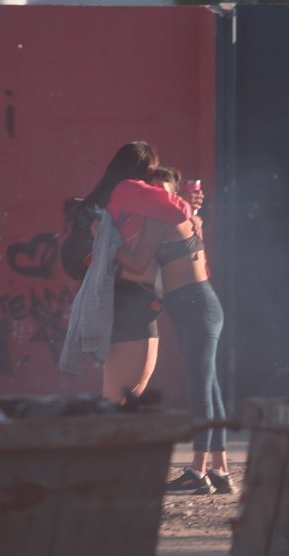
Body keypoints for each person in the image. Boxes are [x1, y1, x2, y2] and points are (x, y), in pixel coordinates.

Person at [117, 168, 234, 495]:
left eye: (160, 191)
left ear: (172, 194)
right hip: (194, 306)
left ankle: (197, 472)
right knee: (208, 386)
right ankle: (220, 470)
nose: (154, 197)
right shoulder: (179, 216)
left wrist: (104, 243)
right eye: (150, 190)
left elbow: (138, 264)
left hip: (197, 305)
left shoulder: (160, 220)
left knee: (200, 385)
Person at [76, 142, 195, 404]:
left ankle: (109, 440)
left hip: (131, 301)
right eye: (151, 172)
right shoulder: (130, 189)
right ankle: (106, 442)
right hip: (132, 303)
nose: (153, 179)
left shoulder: (118, 196)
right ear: (140, 169)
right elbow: (177, 212)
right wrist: (184, 202)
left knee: (124, 396)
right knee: (119, 398)